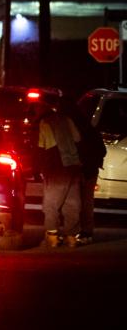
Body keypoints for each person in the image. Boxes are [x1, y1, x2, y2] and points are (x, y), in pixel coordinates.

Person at [36, 101, 82, 248]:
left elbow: (44, 146)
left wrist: (39, 168)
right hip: (74, 164)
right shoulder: (67, 119)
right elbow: (77, 139)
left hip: (57, 166)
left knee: (51, 203)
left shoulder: (45, 122)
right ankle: (71, 237)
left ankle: (52, 237)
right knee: (72, 202)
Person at [63, 100, 107, 245]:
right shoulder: (88, 127)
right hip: (91, 168)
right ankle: (86, 231)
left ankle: (82, 231)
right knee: (87, 200)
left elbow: (77, 143)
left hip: (83, 168)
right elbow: (102, 150)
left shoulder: (73, 124)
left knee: (80, 201)